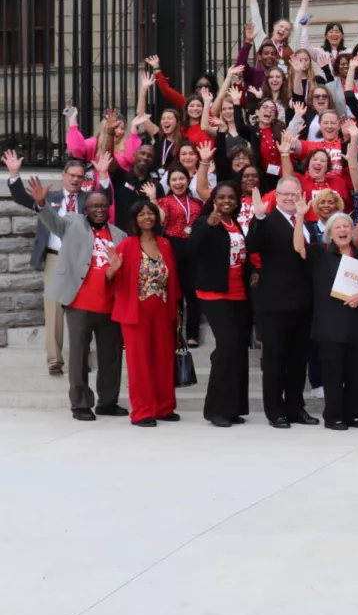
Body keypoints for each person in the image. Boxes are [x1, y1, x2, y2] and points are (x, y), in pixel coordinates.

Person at [27, 182, 126, 421]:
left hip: (110, 306)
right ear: (86, 209)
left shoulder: (120, 235)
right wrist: (42, 204)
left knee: (111, 357)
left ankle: (108, 402)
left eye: (103, 205)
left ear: (109, 208)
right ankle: (81, 404)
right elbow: (53, 222)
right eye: (94, 206)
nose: (99, 210)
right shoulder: (73, 224)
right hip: (80, 303)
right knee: (79, 357)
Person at [5, 151, 92, 376]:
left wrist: (101, 176)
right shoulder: (49, 197)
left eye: (80, 177)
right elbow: (23, 199)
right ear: (63, 175)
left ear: (84, 180)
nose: (75, 180)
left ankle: (81, 357)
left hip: (82, 260)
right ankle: (55, 360)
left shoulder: (90, 199)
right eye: (72, 175)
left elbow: (105, 202)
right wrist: (14, 175)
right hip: (55, 257)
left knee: (82, 310)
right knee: (53, 308)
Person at [293, 209, 358, 430]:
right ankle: (333, 416)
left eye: (346, 226)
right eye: (338, 227)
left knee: (354, 371)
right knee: (333, 373)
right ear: (330, 233)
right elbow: (298, 247)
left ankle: (352, 415)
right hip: (330, 325)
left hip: (355, 323)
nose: (343, 230)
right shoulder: (321, 253)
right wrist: (300, 216)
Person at [247, 176, 319, 429]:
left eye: (293, 194)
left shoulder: (307, 221)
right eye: (285, 194)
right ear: (277, 196)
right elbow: (251, 244)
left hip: (303, 302)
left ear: (300, 195)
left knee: (298, 360)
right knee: (275, 360)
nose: (289, 198)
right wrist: (257, 217)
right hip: (275, 303)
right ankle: (275, 410)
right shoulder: (267, 220)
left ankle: (295, 407)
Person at [109, 197, 180, 426]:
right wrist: (112, 271)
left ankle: (163, 407)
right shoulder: (127, 245)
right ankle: (142, 411)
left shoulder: (165, 244)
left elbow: (173, 281)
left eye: (150, 213)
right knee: (139, 362)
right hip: (135, 312)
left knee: (163, 359)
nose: (147, 217)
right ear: (135, 219)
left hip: (162, 309)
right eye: (142, 214)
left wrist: (177, 311)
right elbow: (112, 279)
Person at [190, 182, 252, 427]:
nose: (227, 201)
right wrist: (207, 226)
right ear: (214, 200)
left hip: (239, 293)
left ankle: (233, 407)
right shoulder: (205, 221)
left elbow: (243, 255)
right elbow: (190, 250)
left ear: (237, 201)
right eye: (222, 197)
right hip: (215, 294)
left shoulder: (236, 224)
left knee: (237, 350)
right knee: (226, 348)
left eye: (231, 197)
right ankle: (215, 410)